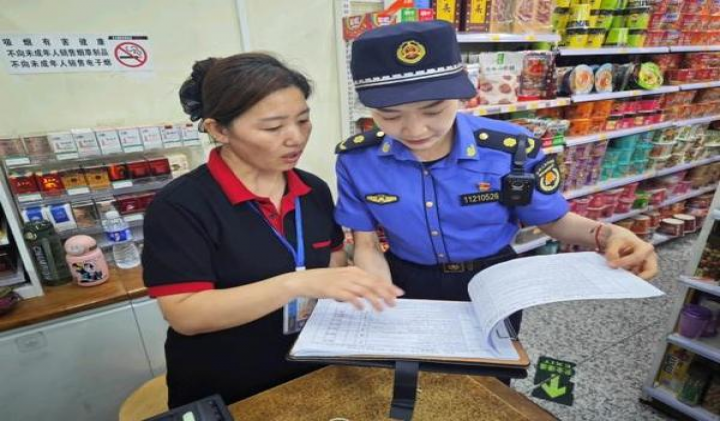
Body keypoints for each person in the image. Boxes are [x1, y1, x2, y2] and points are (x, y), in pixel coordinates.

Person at [334, 21, 658, 334]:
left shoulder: (509, 149)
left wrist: (608, 234)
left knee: (493, 364)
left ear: (461, 95)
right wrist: (380, 295)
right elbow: (367, 244)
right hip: (405, 279)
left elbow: (552, 220)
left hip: (495, 278)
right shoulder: (358, 160)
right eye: (390, 116)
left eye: (433, 111)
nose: (415, 130)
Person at [142, 53, 403, 408]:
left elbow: (332, 262)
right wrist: (297, 284)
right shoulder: (181, 206)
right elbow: (186, 314)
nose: (296, 138)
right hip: (229, 385)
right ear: (218, 130)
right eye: (272, 127)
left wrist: (357, 285)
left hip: (311, 369)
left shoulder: (312, 190)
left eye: (303, 120)